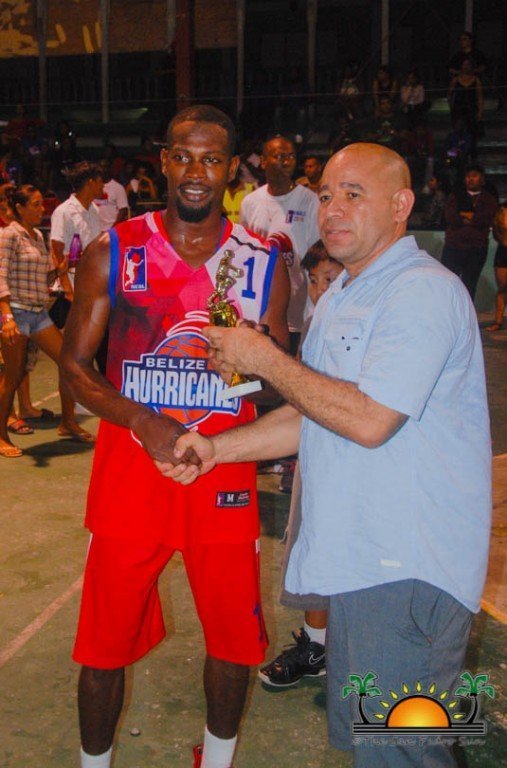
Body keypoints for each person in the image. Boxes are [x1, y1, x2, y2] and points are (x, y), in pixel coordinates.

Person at [161, 142, 492, 768]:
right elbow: (310, 411)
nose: (333, 210)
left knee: (403, 753)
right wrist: (216, 449)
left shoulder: (421, 292)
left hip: (407, 569)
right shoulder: (345, 290)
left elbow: (369, 420)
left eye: (354, 195)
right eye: (328, 196)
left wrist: (265, 359)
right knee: (386, 749)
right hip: (365, 566)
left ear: (401, 204)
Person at [59, 104, 289, 768]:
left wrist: (252, 367)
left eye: (211, 159)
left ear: (230, 168)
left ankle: (215, 762)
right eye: (182, 156)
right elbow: (74, 367)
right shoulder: (114, 249)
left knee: (234, 640)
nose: (195, 172)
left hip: (222, 469)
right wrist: (141, 419)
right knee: (102, 644)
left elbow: (279, 381)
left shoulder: (262, 261)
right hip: (132, 470)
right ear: (162, 161)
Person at [259, 240, 343, 687]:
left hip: (351, 462)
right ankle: (316, 644)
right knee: (311, 546)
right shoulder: (315, 322)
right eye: (313, 280)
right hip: (315, 453)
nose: (320, 288)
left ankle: (331, 645)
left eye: (330, 278)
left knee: (334, 551)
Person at [0, 185, 92, 458]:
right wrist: (6, 316)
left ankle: (68, 423)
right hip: (16, 313)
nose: (42, 209)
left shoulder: (38, 236)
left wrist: (59, 270)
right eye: (36, 205)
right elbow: (0, 275)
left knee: (68, 362)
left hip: (38, 312)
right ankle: (1, 435)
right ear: (20, 208)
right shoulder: (9, 235)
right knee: (12, 376)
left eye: (42, 204)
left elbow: (40, 277)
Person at [240, 134, 320, 354]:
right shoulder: (250, 203)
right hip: (263, 307)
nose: (286, 161)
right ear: (263, 161)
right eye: (279, 156)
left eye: (291, 156)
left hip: (299, 309)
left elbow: (316, 258)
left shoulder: (310, 201)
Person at [49, 161, 104, 329]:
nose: (103, 185)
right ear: (90, 182)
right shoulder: (64, 212)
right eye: (100, 181)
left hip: (90, 284)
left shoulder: (95, 210)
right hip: (71, 287)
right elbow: (56, 251)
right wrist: (68, 290)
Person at [441, 164, 498, 299]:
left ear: (482, 179)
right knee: (447, 282)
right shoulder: (455, 197)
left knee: (470, 284)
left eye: (474, 176)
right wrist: (471, 218)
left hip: (476, 248)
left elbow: (486, 218)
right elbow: (450, 217)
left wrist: (466, 217)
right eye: (467, 176)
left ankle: (467, 311)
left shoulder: (488, 199)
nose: (470, 179)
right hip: (454, 246)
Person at [485, 202, 507, 332]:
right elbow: (496, 232)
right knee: (502, 288)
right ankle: (498, 322)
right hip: (503, 252)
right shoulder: (501, 210)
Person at [93, 159, 129, 231]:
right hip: (94, 229)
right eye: (100, 167)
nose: (102, 169)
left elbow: (123, 210)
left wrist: (112, 229)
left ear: (110, 168)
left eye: (105, 167)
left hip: (110, 228)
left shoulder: (118, 187)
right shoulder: (92, 186)